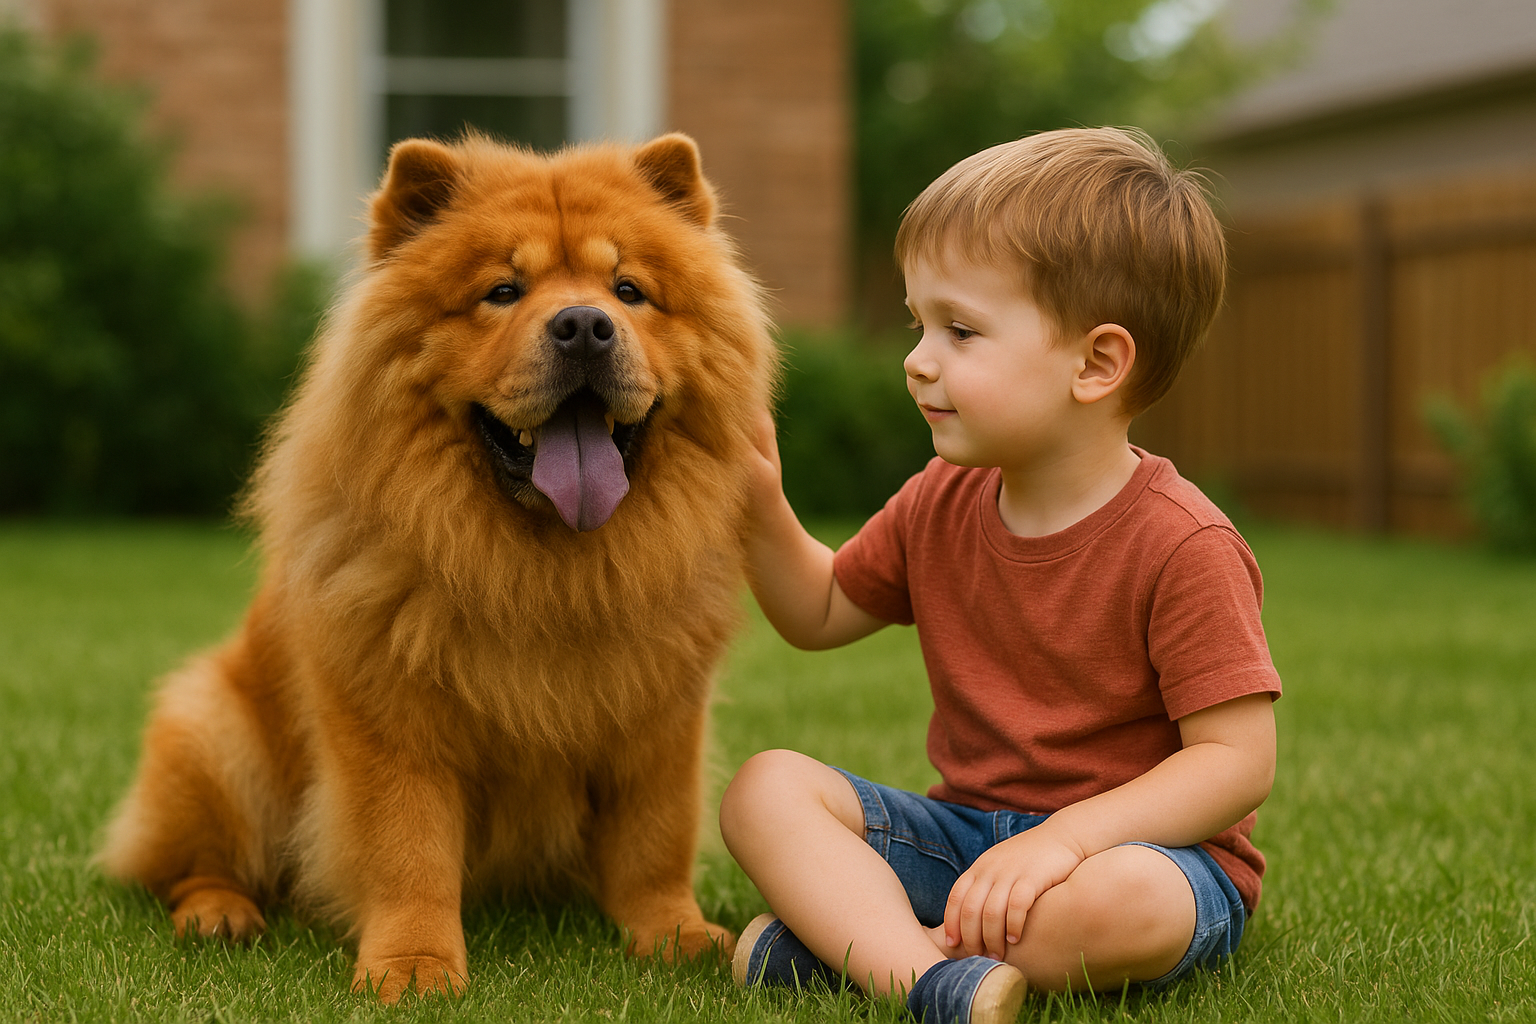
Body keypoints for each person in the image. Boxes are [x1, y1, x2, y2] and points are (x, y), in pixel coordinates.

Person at [719, 127, 1282, 1024]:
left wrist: (1067, 841)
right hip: (967, 838)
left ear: (1096, 364)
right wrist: (758, 505)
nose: (917, 357)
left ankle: (864, 948)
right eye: (918, 324)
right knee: (765, 788)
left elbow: (1235, 765)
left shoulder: (1183, 543)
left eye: (961, 330)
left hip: (1140, 853)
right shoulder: (941, 499)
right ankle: (935, 979)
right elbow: (819, 609)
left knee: (1126, 903)